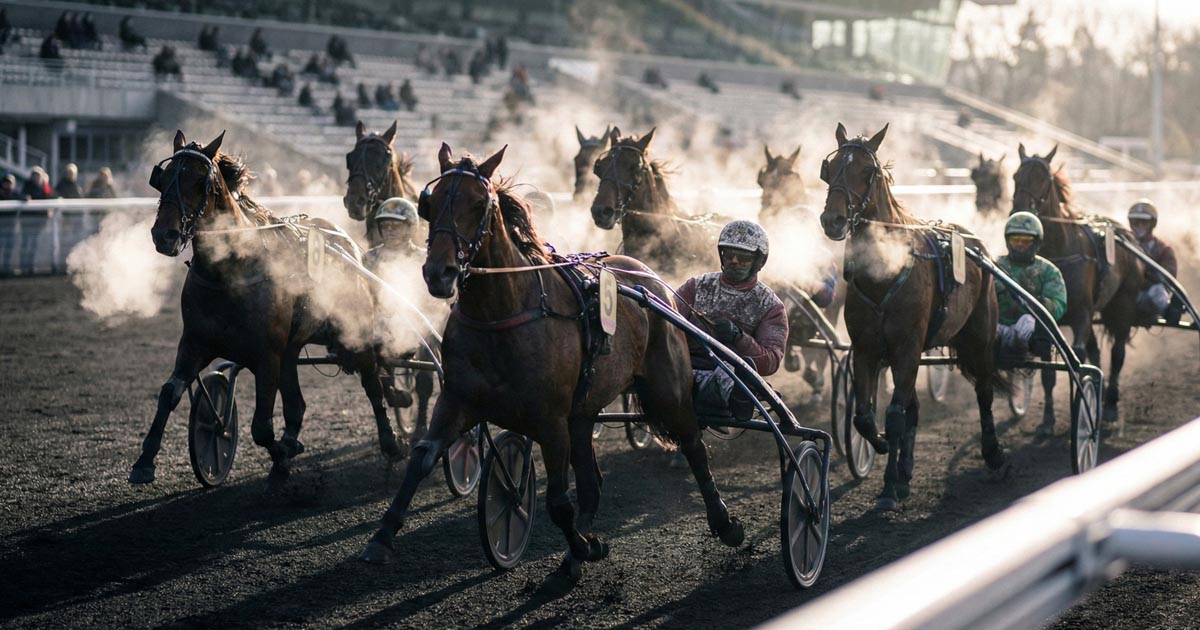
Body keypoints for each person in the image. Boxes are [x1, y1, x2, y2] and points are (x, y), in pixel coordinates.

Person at [994, 212, 1067, 360]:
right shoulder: (994, 266)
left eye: (1026, 240)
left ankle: (1044, 357)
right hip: (997, 326)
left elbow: (1058, 304)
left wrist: (1039, 303)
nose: (1020, 244)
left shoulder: (1049, 271)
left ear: (1036, 243)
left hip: (1028, 329)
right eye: (1015, 240)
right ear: (1008, 241)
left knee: (1029, 321)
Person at [1128, 199, 1182, 325]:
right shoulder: (1123, 244)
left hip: (1148, 293)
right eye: (1136, 222)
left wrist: (1147, 277)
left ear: (1152, 224)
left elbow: (1168, 277)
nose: (1139, 226)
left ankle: (1167, 310)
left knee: (1157, 290)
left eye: (1144, 222)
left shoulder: (1163, 249)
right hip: (1126, 292)